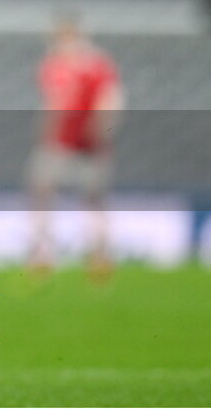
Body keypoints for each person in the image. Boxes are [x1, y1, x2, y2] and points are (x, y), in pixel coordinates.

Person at [26, 18, 123, 279]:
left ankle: (93, 255)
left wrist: (99, 131)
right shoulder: (91, 64)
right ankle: (48, 254)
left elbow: (105, 102)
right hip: (70, 143)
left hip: (79, 143)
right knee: (55, 195)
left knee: (85, 198)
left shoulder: (73, 67)